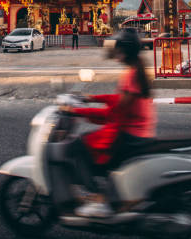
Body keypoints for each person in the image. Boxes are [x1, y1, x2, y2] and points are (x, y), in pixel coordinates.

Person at [64, 28, 156, 218]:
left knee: (79, 144)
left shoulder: (132, 75)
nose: (116, 51)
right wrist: (91, 98)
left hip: (129, 133)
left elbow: (114, 112)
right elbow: (118, 100)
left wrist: (77, 111)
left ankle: (96, 197)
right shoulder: (136, 70)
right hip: (135, 130)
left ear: (125, 50)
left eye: (119, 47)